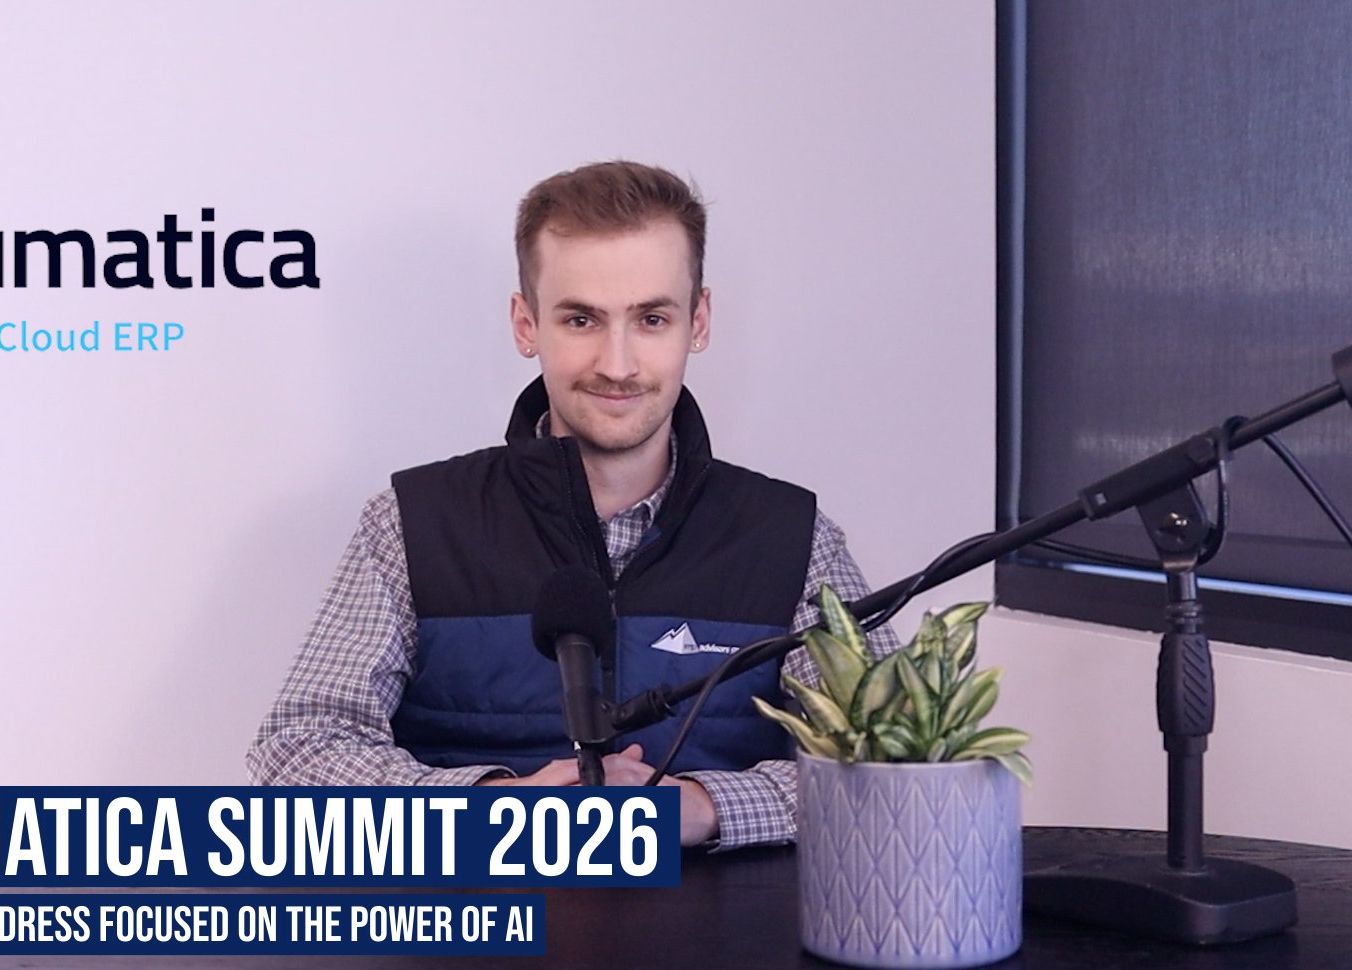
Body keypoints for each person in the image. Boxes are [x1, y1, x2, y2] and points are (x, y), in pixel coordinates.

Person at [245, 161, 896, 849]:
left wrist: (705, 808)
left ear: (698, 321)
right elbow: (296, 755)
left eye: (651, 319)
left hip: (726, 918)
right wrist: (492, 808)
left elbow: (895, 762)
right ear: (526, 324)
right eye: (582, 319)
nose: (617, 364)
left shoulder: (792, 538)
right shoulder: (410, 525)